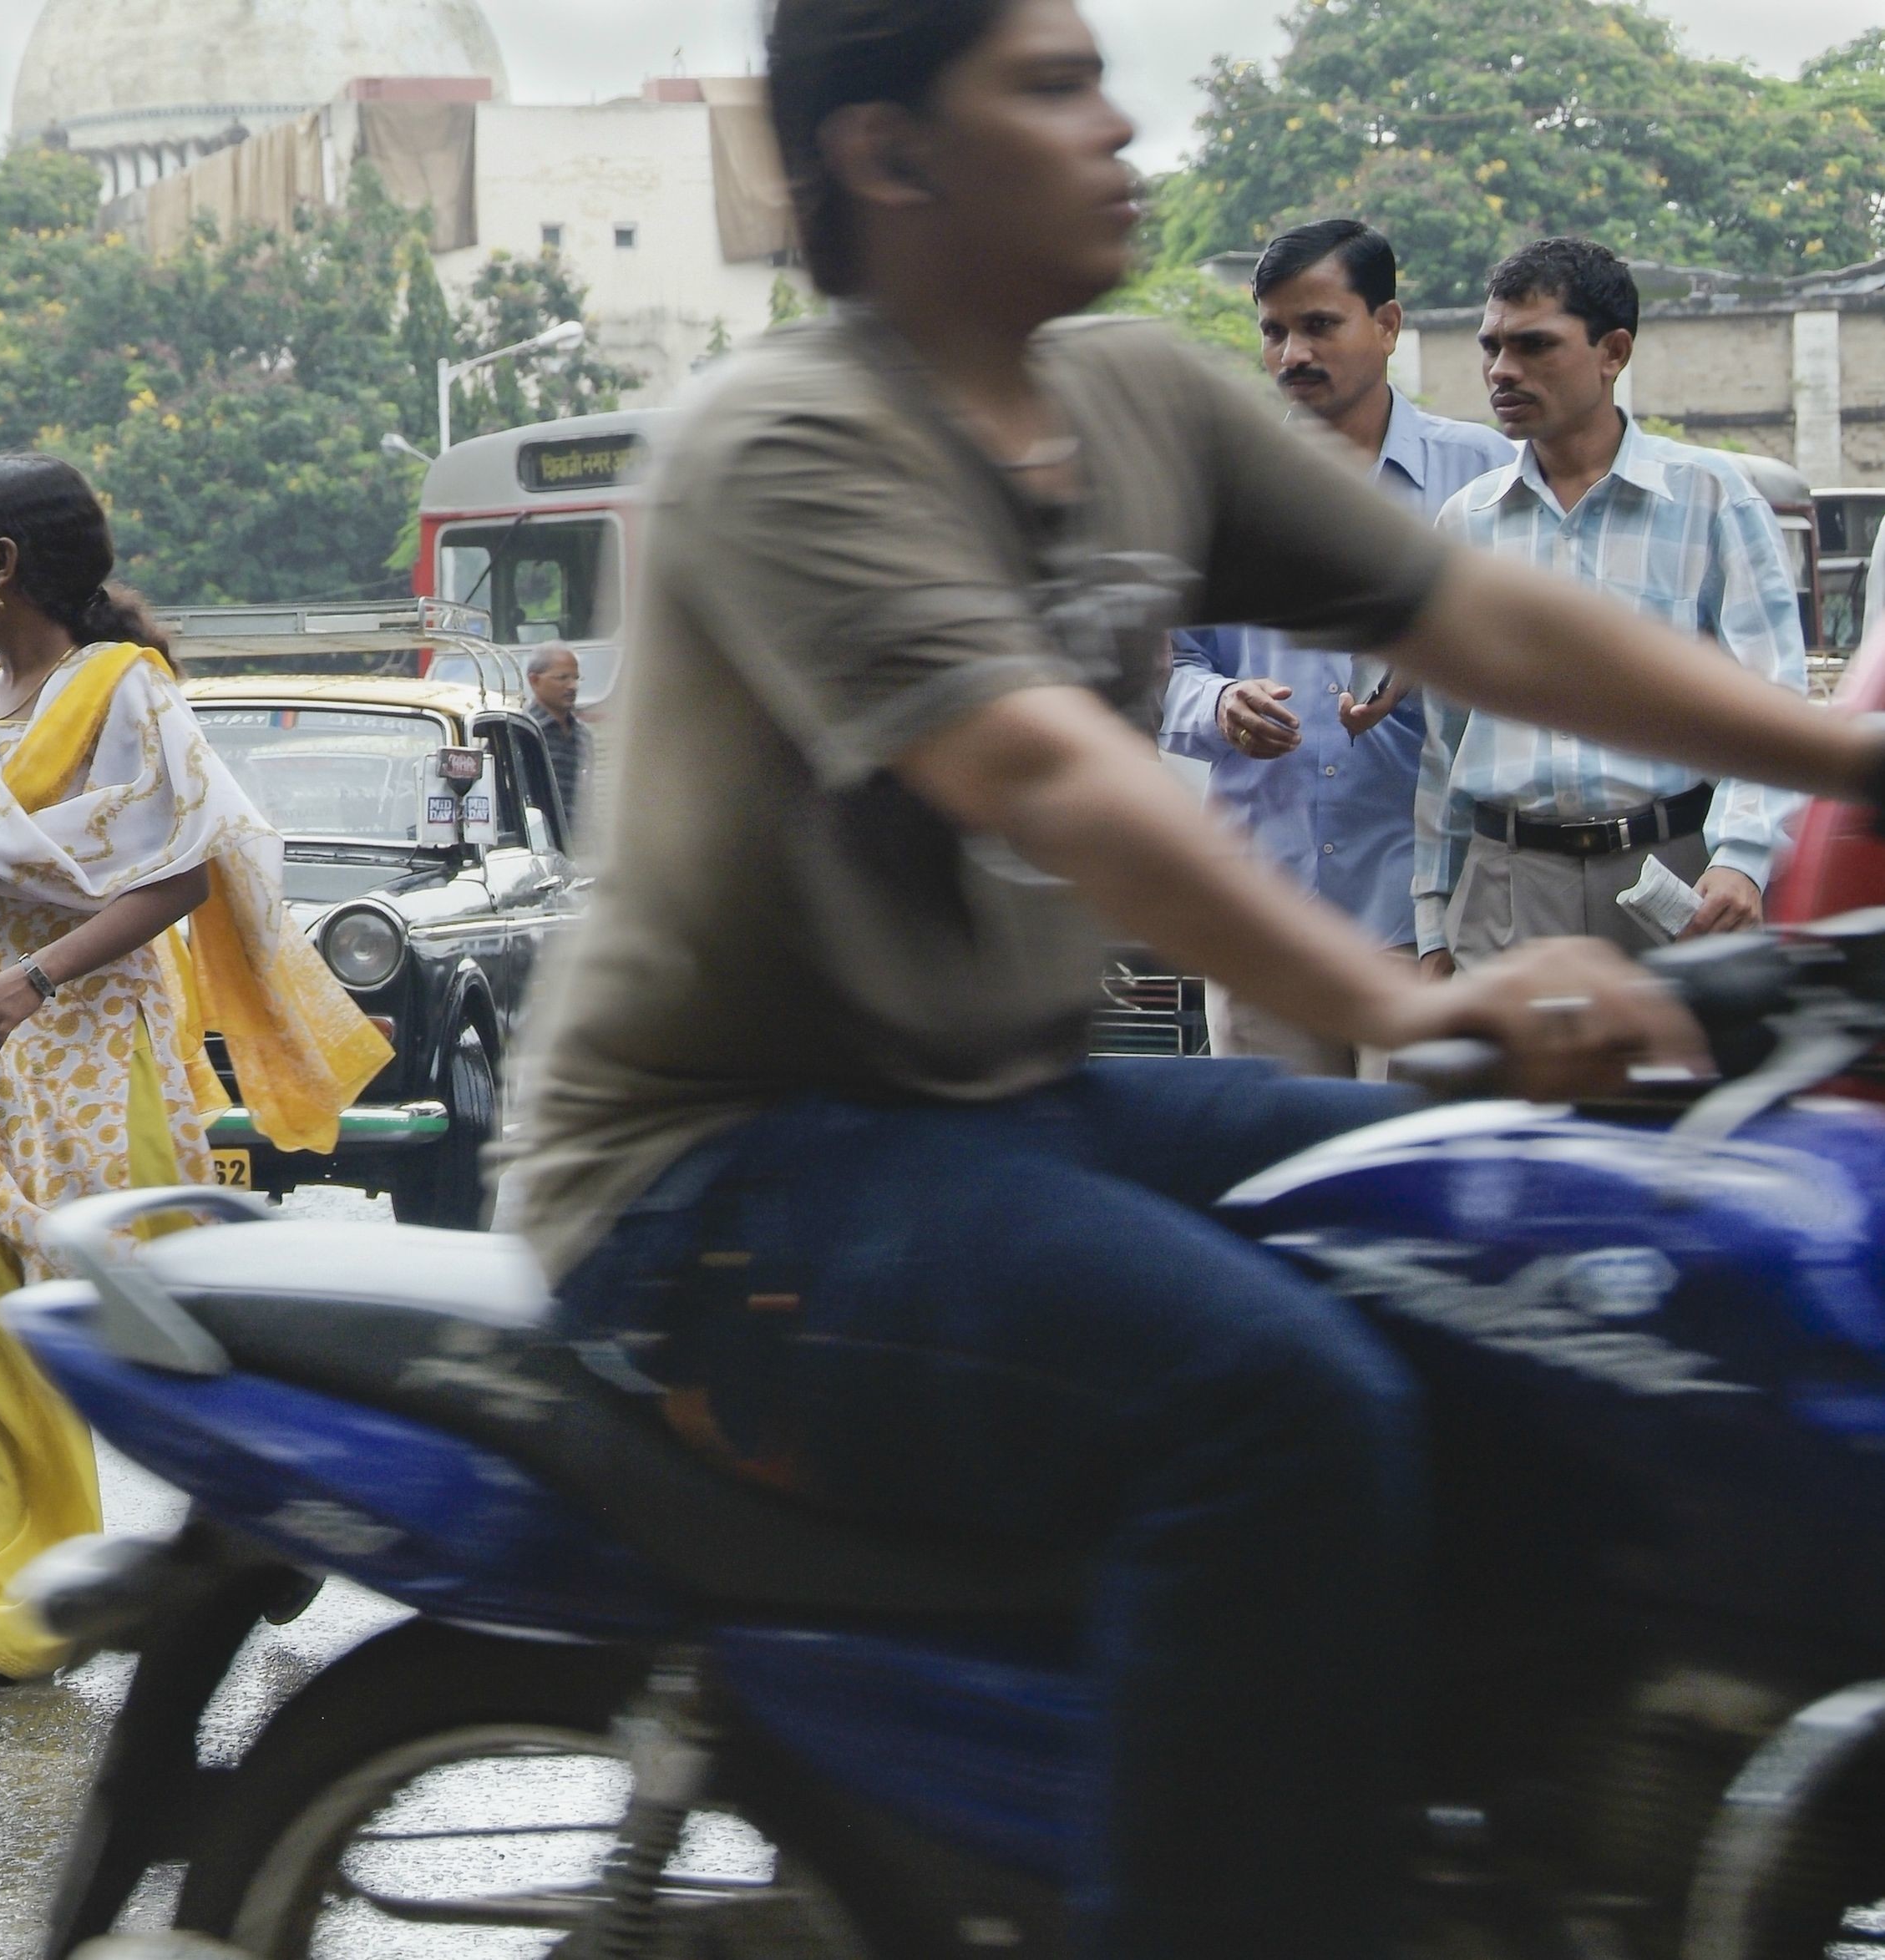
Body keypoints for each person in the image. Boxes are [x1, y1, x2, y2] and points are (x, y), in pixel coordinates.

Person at [495, 2, 1885, 1953]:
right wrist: (1404, 1002)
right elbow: (1040, 771)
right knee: (1273, 1404)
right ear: (892, 157)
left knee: (1523, 1240)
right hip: (718, 1174)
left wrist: (1849, 758)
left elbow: (1479, 612)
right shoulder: (788, 438)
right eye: (1050, 88)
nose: (1115, 124)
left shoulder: (1144, 398)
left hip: (1005, 1109)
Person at [0, 453, 389, 1702]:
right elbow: (8, 860)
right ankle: (25, 1606)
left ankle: (276, 1504)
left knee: (150, 1316)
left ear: (1, 562)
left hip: (96, 1043)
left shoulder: (127, 689)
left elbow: (181, 871)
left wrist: (38, 977)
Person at [1162, 218, 1512, 1075]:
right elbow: (1160, 666)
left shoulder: (1483, 477)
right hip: (1262, 916)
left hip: (1425, 917)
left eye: (1319, 325)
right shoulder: (1212, 491)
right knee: (1278, 1178)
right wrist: (1217, 704)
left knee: (1411, 1184)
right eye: (1274, 331)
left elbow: (1534, 665)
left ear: (1387, 326)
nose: (1292, 354)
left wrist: (1436, 667)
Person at [1416, 237, 1807, 975]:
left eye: (1535, 345)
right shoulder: (1466, 525)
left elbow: (1772, 699)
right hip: (1507, 889)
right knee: (1515, 1093)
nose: (1502, 370)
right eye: (1491, 346)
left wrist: (1743, 859)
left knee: (1681, 1087)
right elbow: (1446, 739)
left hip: (1674, 875)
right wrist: (1435, 919)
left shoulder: (1710, 499)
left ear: (1613, 351)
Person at [525, 643, 593, 840]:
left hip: (579, 848)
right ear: (535, 680)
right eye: (562, 678)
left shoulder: (582, 735)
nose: (572, 686)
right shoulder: (522, 731)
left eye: (576, 678)